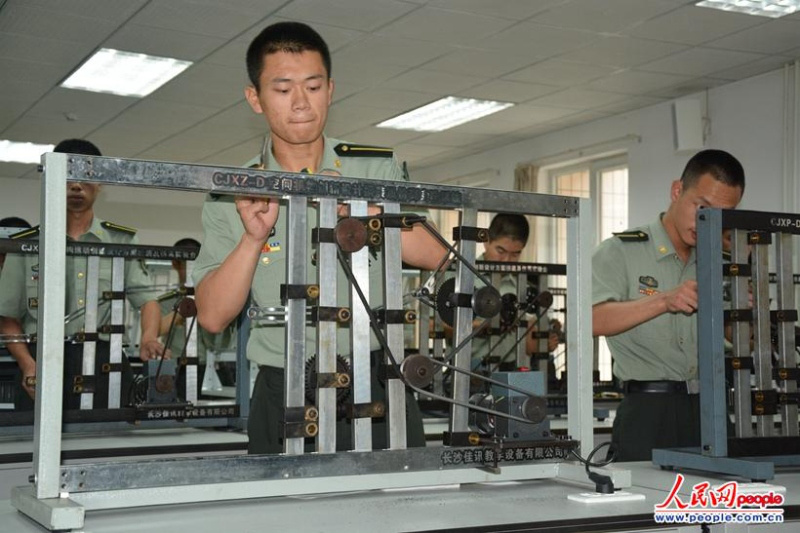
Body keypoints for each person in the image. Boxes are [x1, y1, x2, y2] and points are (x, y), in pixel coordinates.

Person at [193, 22, 447, 454]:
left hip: (381, 383)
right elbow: (213, 317)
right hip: (282, 387)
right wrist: (253, 239)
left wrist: (367, 213)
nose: (300, 103)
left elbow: (437, 255)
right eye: (282, 88)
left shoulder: (374, 169)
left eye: (312, 87)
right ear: (255, 98)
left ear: (330, 89)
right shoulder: (233, 193)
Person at [592, 149, 745, 461]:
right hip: (648, 411)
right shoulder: (620, 251)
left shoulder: (723, 263)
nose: (707, 220)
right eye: (702, 207)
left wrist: (747, 315)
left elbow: (736, 339)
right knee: (643, 507)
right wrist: (664, 300)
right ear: (677, 191)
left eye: (722, 214)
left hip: (711, 408)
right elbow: (592, 320)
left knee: (718, 504)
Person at [0, 139, 166, 410]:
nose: (76, 186)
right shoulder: (26, 244)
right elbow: (7, 318)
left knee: (109, 446)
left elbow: (147, 300)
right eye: (67, 176)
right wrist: (27, 364)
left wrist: (148, 338)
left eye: (86, 177)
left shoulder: (120, 240)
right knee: (33, 448)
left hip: (105, 364)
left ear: (100, 183)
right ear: (51, 180)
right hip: (41, 361)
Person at [471, 214, 559, 373]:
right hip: (471, 370)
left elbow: (527, 342)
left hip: (513, 369)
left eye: (515, 254)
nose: (506, 260)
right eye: (500, 251)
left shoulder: (522, 286)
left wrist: (543, 342)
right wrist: (484, 326)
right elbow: (431, 326)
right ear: (486, 242)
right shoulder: (462, 277)